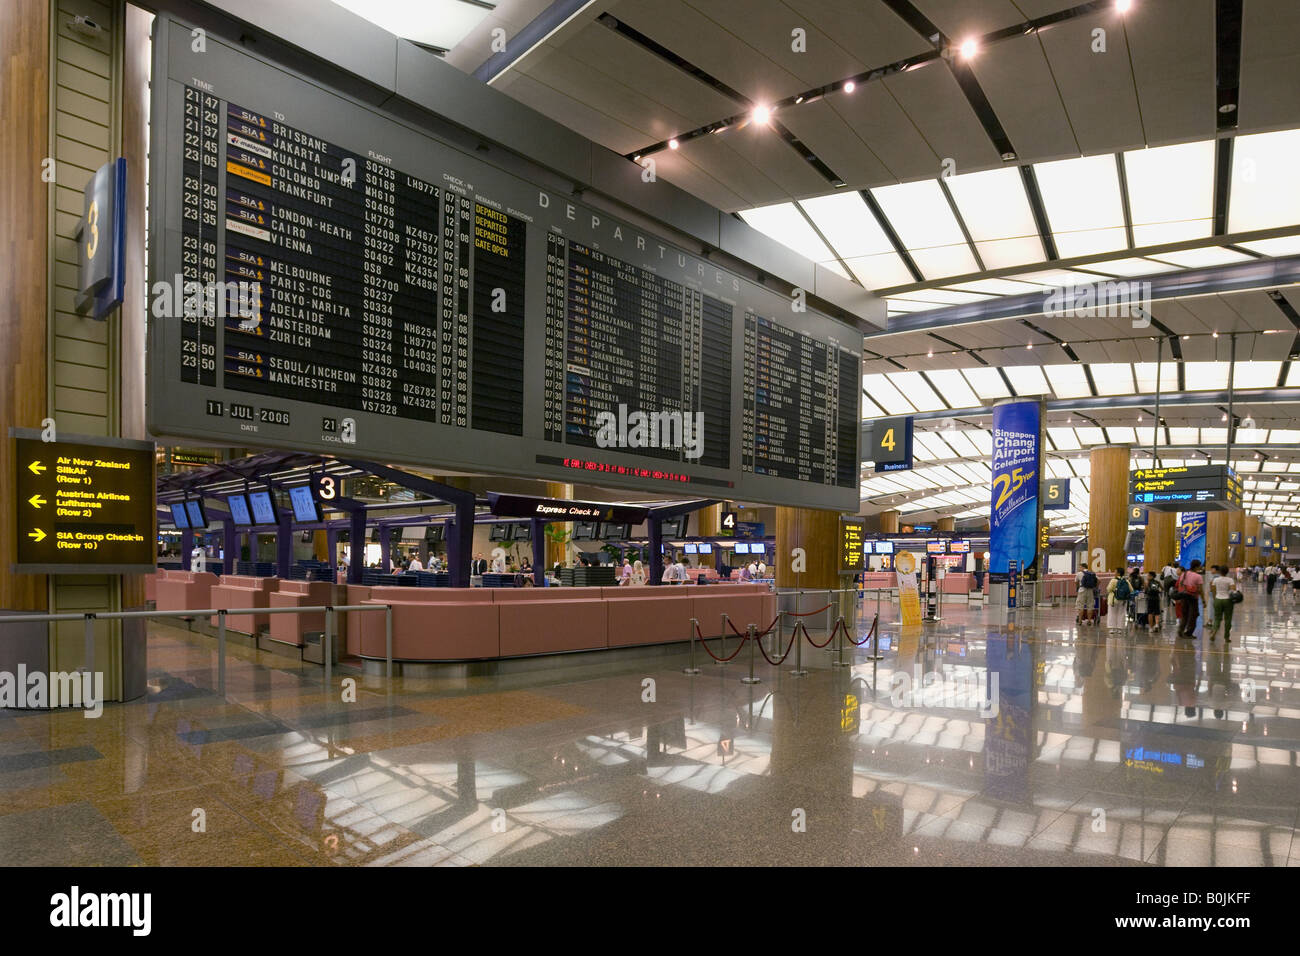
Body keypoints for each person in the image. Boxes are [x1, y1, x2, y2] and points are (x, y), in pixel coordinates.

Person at [1206, 564, 1237, 643]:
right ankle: (1226, 637)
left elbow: (1212, 590)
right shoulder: (1230, 580)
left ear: (1219, 572)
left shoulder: (1215, 580)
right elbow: (1233, 590)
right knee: (1228, 619)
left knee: (1217, 618)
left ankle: (1214, 632)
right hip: (1227, 600)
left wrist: (1215, 598)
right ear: (1227, 572)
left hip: (1218, 599)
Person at [1175, 560, 1206, 638]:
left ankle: (1180, 630)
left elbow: (1180, 585)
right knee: (1193, 615)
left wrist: (1179, 596)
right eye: (1200, 566)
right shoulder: (1198, 576)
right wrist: (1203, 600)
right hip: (1193, 598)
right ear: (1197, 567)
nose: (1201, 567)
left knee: (1184, 615)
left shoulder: (1184, 574)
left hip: (1184, 596)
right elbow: (1200, 589)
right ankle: (1189, 633)